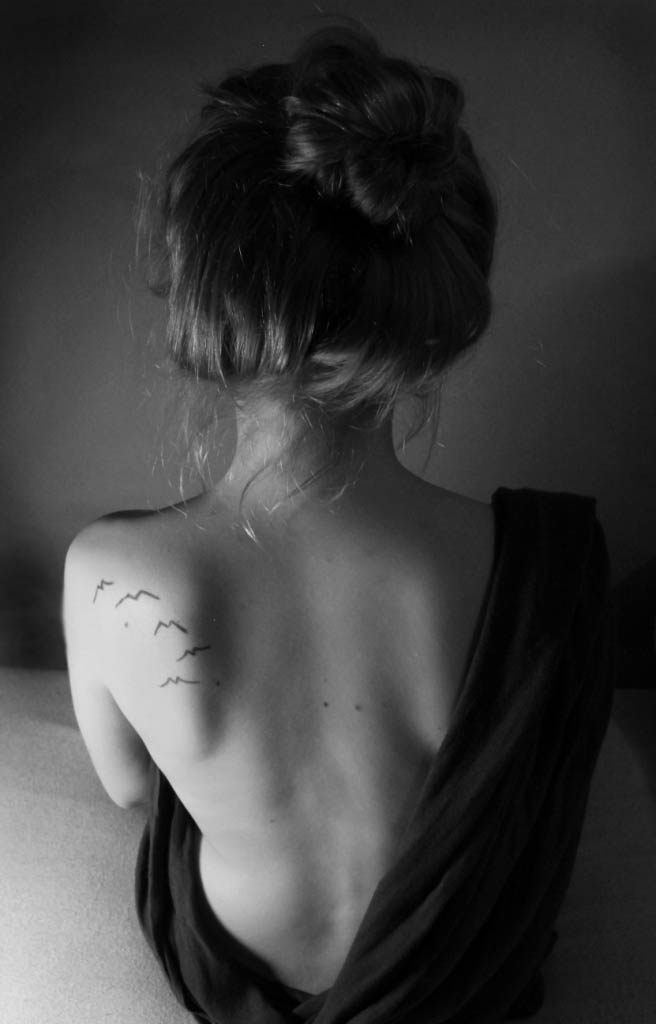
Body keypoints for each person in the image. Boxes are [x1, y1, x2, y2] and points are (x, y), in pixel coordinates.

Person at [63, 21, 615, 1024]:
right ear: (428, 314)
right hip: (461, 992)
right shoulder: (543, 570)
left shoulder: (110, 573)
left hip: (242, 983)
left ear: (204, 299)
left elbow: (132, 791)